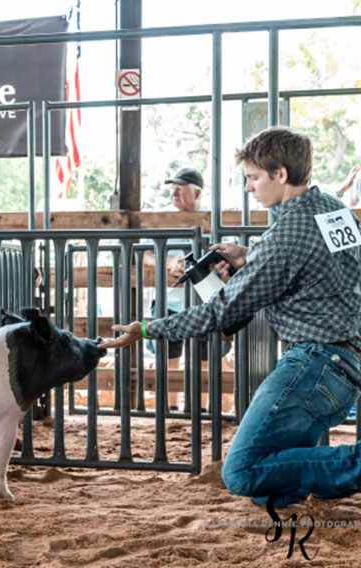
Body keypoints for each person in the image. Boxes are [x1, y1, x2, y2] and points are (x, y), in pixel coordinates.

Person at [103, 127, 361, 507]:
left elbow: (221, 311)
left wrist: (146, 328)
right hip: (346, 367)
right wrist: (251, 257)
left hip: (313, 365)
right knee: (269, 487)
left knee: (241, 472)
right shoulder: (333, 209)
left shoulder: (286, 235)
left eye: (253, 177)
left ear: (281, 174)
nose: (248, 187)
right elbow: (313, 262)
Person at [145, 168, 231, 409]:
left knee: (205, 357)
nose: (174, 194)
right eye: (173, 189)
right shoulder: (163, 219)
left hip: (205, 301)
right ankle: (170, 410)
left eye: (179, 189)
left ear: (197, 193)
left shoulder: (213, 219)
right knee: (168, 355)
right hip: (170, 300)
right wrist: (169, 262)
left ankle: (199, 409)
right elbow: (146, 254)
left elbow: (228, 252)